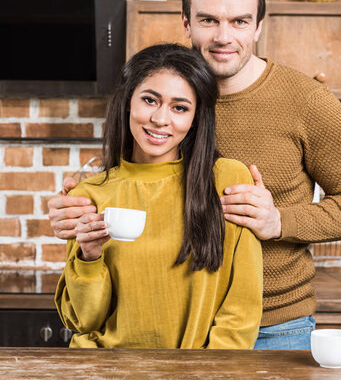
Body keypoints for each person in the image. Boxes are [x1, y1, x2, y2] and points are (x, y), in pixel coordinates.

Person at [49, 0, 341, 350]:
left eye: (240, 21)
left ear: (258, 26)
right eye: (208, 20)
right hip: (173, 326)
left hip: (271, 326)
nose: (224, 36)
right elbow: (137, 185)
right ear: (187, 23)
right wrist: (75, 216)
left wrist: (278, 220)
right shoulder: (164, 99)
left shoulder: (307, 100)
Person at [55, 43, 263, 349]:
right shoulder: (90, 194)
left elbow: (241, 312)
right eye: (150, 100)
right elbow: (82, 321)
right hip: (104, 376)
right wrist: (89, 257)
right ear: (128, 102)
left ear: (195, 118)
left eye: (180, 107)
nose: (160, 119)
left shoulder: (227, 180)